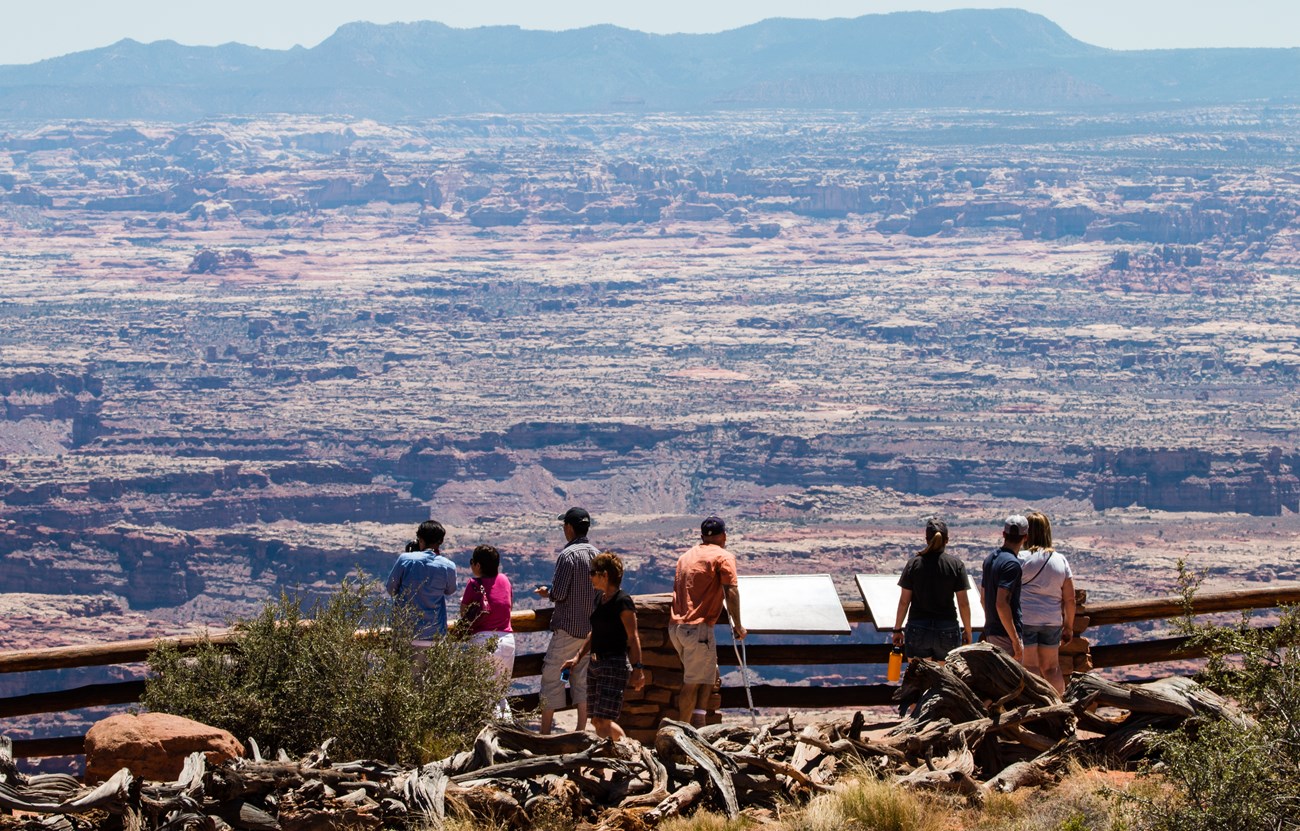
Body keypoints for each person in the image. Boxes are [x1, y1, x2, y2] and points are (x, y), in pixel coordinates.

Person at [669, 516, 745, 727]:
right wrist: (738, 625)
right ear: (724, 536)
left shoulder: (686, 556)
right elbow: (731, 590)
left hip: (676, 626)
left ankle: (699, 724)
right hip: (697, 627)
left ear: (702, 536)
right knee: (692, 683)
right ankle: (682, 733)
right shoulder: (723, 556)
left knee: (706, 676)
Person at [561, 552, 645, 741]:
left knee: (603, 720)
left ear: (604, 575)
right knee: (596, 721)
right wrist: (577, 657)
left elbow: (633, 637)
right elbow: (594, 633)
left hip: (614, 665)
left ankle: (630, 754)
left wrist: (638, 669)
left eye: (593, 573)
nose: (590, 576)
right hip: (596, 664)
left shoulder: (623, 601)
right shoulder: (600, 599)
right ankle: (610, 760)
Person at [535, 507, 600, 734]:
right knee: (581, 679)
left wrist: (547, 592)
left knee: (553, 677)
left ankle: (544, 734)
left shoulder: (568, 555)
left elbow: (560, 593)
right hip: (590, 632)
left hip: (568, 630)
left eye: (565, 526)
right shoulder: (597, 554)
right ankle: (581, 732)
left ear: (570, 528)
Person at [891, 517, 973, 664]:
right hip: (947, 628)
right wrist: (968, 630)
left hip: (918, 628)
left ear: (926, 539)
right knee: (944, 681)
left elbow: (904, 601)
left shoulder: (914, 564)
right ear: (946, 540)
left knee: (919, 680)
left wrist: (897, 629)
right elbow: (963, 604)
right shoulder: (956, 565)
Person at [1017, 511, 1075, 694]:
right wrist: (1068, 626)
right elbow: (1070, 598)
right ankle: (1058, 704)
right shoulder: (1060, 560)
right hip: (1052, 621)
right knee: (1051, 667)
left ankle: (1035, 707)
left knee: (1030, 666)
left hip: (1026, 619)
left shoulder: (1021, 558)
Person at [462, 544, 515, 720]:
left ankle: (489, 738)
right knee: (500, 695)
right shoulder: (505, 580)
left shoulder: (473, 584)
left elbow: (464, 613)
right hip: (507, 640)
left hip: (483, 642)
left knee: (483, 695)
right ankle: (507, 733)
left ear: (477, 565)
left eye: (472, 562)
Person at [386, 520, 457, 643]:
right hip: (435, 634)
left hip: (405, 633)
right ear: (441, 541)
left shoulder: (405, 559)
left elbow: (391, 589)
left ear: (420, 539)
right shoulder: (448, 566)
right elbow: (450, 590)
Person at [980, 515, 1027, 660]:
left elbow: (983, 599)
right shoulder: (1012, 565)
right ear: (1025, 537)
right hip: (1005, 634)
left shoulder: (990, 559)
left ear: (1004, 534)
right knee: (1010, 681)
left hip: (992, 630)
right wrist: (1015, 640)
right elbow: (1001, 604)